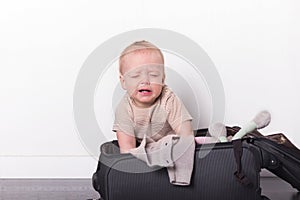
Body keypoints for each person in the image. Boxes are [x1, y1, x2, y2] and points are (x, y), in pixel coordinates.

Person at [113, 40, 194, 153]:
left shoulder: (168, 99)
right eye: (136, 75)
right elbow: (127, 148)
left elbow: (186, 133)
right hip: (143, 153)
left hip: (171, 149)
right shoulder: (124, 109)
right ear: (124, 82)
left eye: (153, 75)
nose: (145, 81)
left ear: (162, 79)